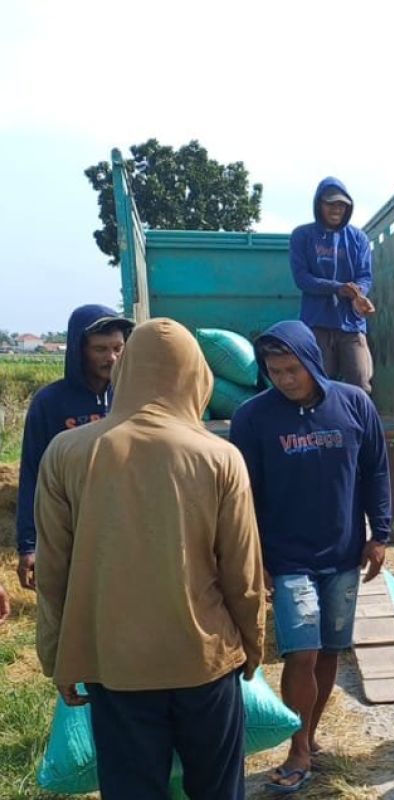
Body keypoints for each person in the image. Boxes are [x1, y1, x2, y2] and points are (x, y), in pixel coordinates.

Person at [35, 318, 265, 800]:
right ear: (197, 377)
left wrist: (57, 654)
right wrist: (254, 643)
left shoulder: (68, 452)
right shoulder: (220, 457)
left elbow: (53, 570)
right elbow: (242, 572)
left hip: (116, 665)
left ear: (127, 371)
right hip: (205, 662)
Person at [230, 320, 391, 792]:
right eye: (274, 370)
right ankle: (299, 749)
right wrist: (252, 554)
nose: (283, 379)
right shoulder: (253, 417)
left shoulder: (354, 403)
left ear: (312, 362)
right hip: (288, 560)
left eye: (291, 368)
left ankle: (310, 734)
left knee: (328, 653)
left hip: (342, 554)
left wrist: (379, 534)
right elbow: (243, 493)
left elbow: (376, 471)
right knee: (301, 654)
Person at [15, 304, 132, 591]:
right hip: (71, 529)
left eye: (118, 347)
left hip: (128, 528)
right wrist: (29, 545)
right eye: (100, 349)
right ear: (79, 350)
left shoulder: (133, 397)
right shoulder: (51, 403)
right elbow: (33, 473)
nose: (112, 358)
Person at [290, 177, 376, 393]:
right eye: (330, 204)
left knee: (361, 384)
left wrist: (359, 295)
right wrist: (337, 287)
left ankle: (360, 426)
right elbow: (302, 278)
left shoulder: (359, 238)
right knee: (317, 385)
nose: (336, 209)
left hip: (351, 325)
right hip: (317, 323)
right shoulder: (302, 236)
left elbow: (364, 276)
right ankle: (320, 426)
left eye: (341, 205)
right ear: (319, 204)